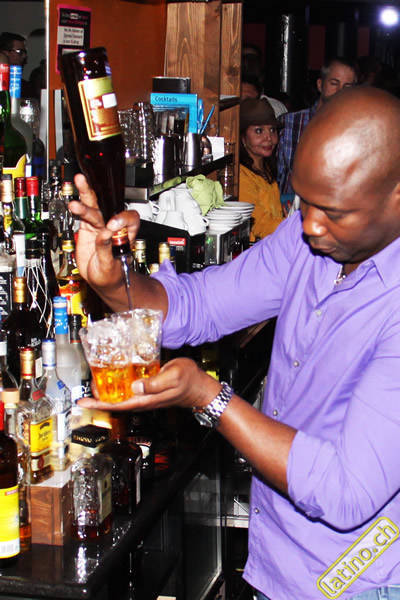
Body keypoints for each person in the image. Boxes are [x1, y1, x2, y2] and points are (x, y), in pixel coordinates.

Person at [70, 86, 400, 599]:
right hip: (278, 559)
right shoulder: (309, 238)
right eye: (304, 201)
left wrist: (209, 397)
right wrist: (114, 281)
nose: (309, 225)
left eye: (333, 212)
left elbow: (345, 489)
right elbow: (201, 305)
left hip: (356, 580)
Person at [277, 56, 358, 197]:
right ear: (320, 85)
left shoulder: (356, 131)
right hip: (288, 207)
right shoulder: (290, 122)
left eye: (347, 87)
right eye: (334, 83)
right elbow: (273, 175)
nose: (340, 91)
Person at [239, 97, 283, 241]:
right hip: (256, 249)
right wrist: (294, 227)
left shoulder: (265, 169)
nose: (268, 138)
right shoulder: (242, 176)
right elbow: (259, 224)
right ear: (243, 137)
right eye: (259, 131)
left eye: (272, 130)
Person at [0, 32, 32, 98]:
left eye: (25, 52)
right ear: (5, 53)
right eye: (19, 52)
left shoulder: (24, 86)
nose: (24, 56)